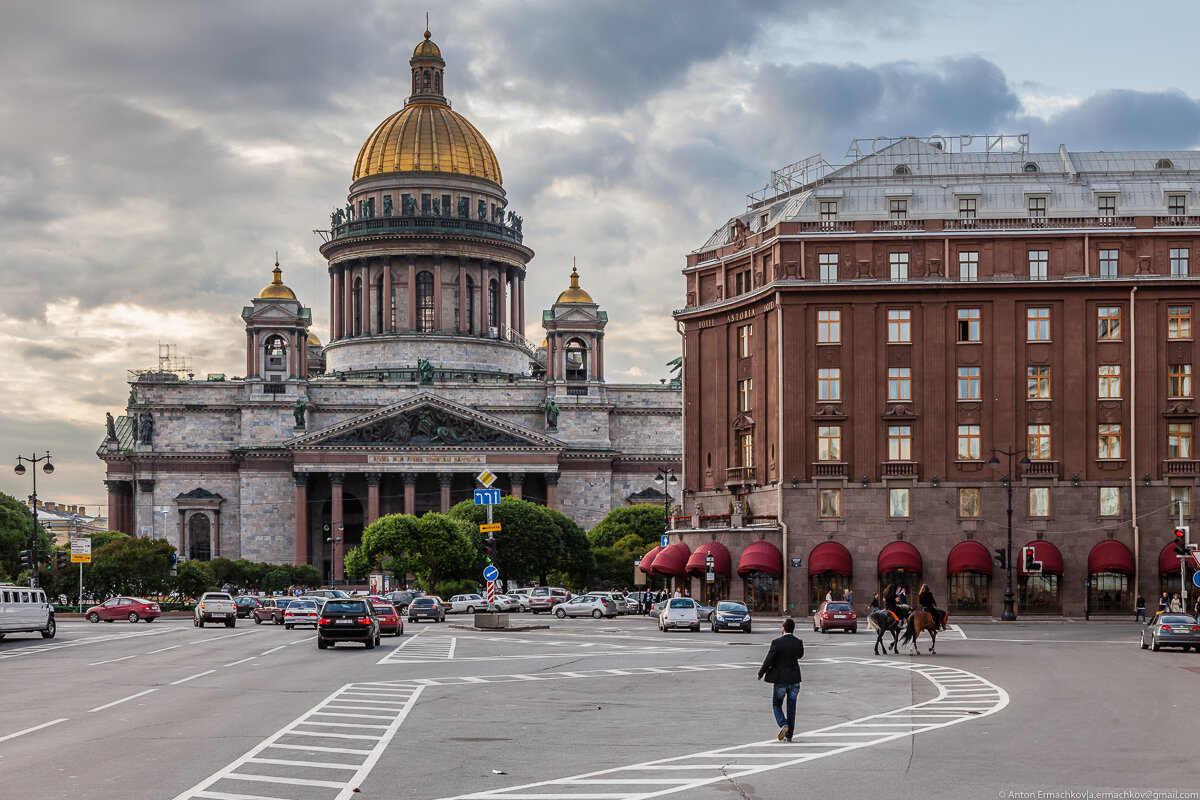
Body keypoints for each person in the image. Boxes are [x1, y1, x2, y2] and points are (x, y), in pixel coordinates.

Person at [757, 617, 805, 743]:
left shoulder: (776, 642)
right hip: (794, 679)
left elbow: (769, 659)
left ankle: (783, 724)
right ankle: (789, 736)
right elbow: (800, 655)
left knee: (776, 704)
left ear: (783, 629)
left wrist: (760, 673)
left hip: (780, 679)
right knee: (791, 707)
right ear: (793, 630)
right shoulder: (798, 642)